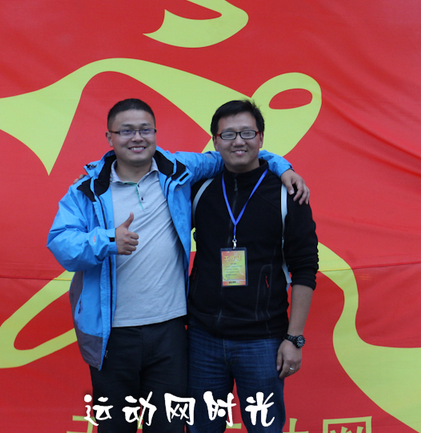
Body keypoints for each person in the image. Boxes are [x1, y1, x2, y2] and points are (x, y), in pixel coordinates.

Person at [46, 98, 308, 433]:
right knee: (115, 427)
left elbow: (236, 152)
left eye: (145, 129)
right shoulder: (87, 190)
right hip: (112, 335)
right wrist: (107, 241)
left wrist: (283, 167)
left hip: (171, 331)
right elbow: (61, 243)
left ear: (156, 134)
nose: (137, 137)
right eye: (126, 131)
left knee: (169, 427)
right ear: (109, 137)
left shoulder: (179, 171)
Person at [187, 100, 319, 433]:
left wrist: (294, 338)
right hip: (203, 338)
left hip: (262, 340)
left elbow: (305, 268)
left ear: (261, 137)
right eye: (228, 134)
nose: (238, 141)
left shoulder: (288, 193)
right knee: (202, 428)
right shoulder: (199, 189)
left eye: (247, 133)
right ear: (215, 141)